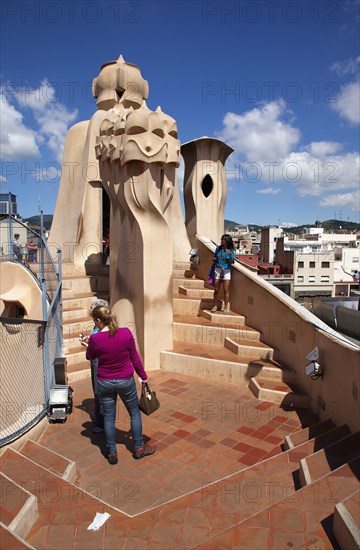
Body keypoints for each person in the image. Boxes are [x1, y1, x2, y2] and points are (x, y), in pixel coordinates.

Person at [81, 305, 156, 465]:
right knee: (134, 413)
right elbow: (134, 357)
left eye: (94, 321)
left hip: (104, 382)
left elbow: (90, 356)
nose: (95, 324)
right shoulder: (126, 333)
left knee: (109, 417)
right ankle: (138, 448)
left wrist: (88, 346)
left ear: (99, 320)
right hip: (125, 380)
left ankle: (112, 452)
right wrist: (143, 377)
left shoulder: (95, 339)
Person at [82, 298, 110, 433]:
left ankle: (102, 422)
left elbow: (97, 349)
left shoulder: (101, 329)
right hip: (96, 359)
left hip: (97, 361)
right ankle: (105, 420)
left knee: (99, 391)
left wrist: (88, 346)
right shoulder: (98, 327)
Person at [211, 234, 236, 314]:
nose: (221, 241)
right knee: (216, 289)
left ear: (227, 241)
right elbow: (214, 258)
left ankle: (225, 307)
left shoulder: (231, 250)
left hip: (226, 270)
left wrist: (230, 255)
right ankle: (215, 305)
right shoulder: (218, 248)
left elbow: (232, 262)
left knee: (226, 289)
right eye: (221, 239)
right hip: (218, 269)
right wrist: (216, 258)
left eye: (223, 240)